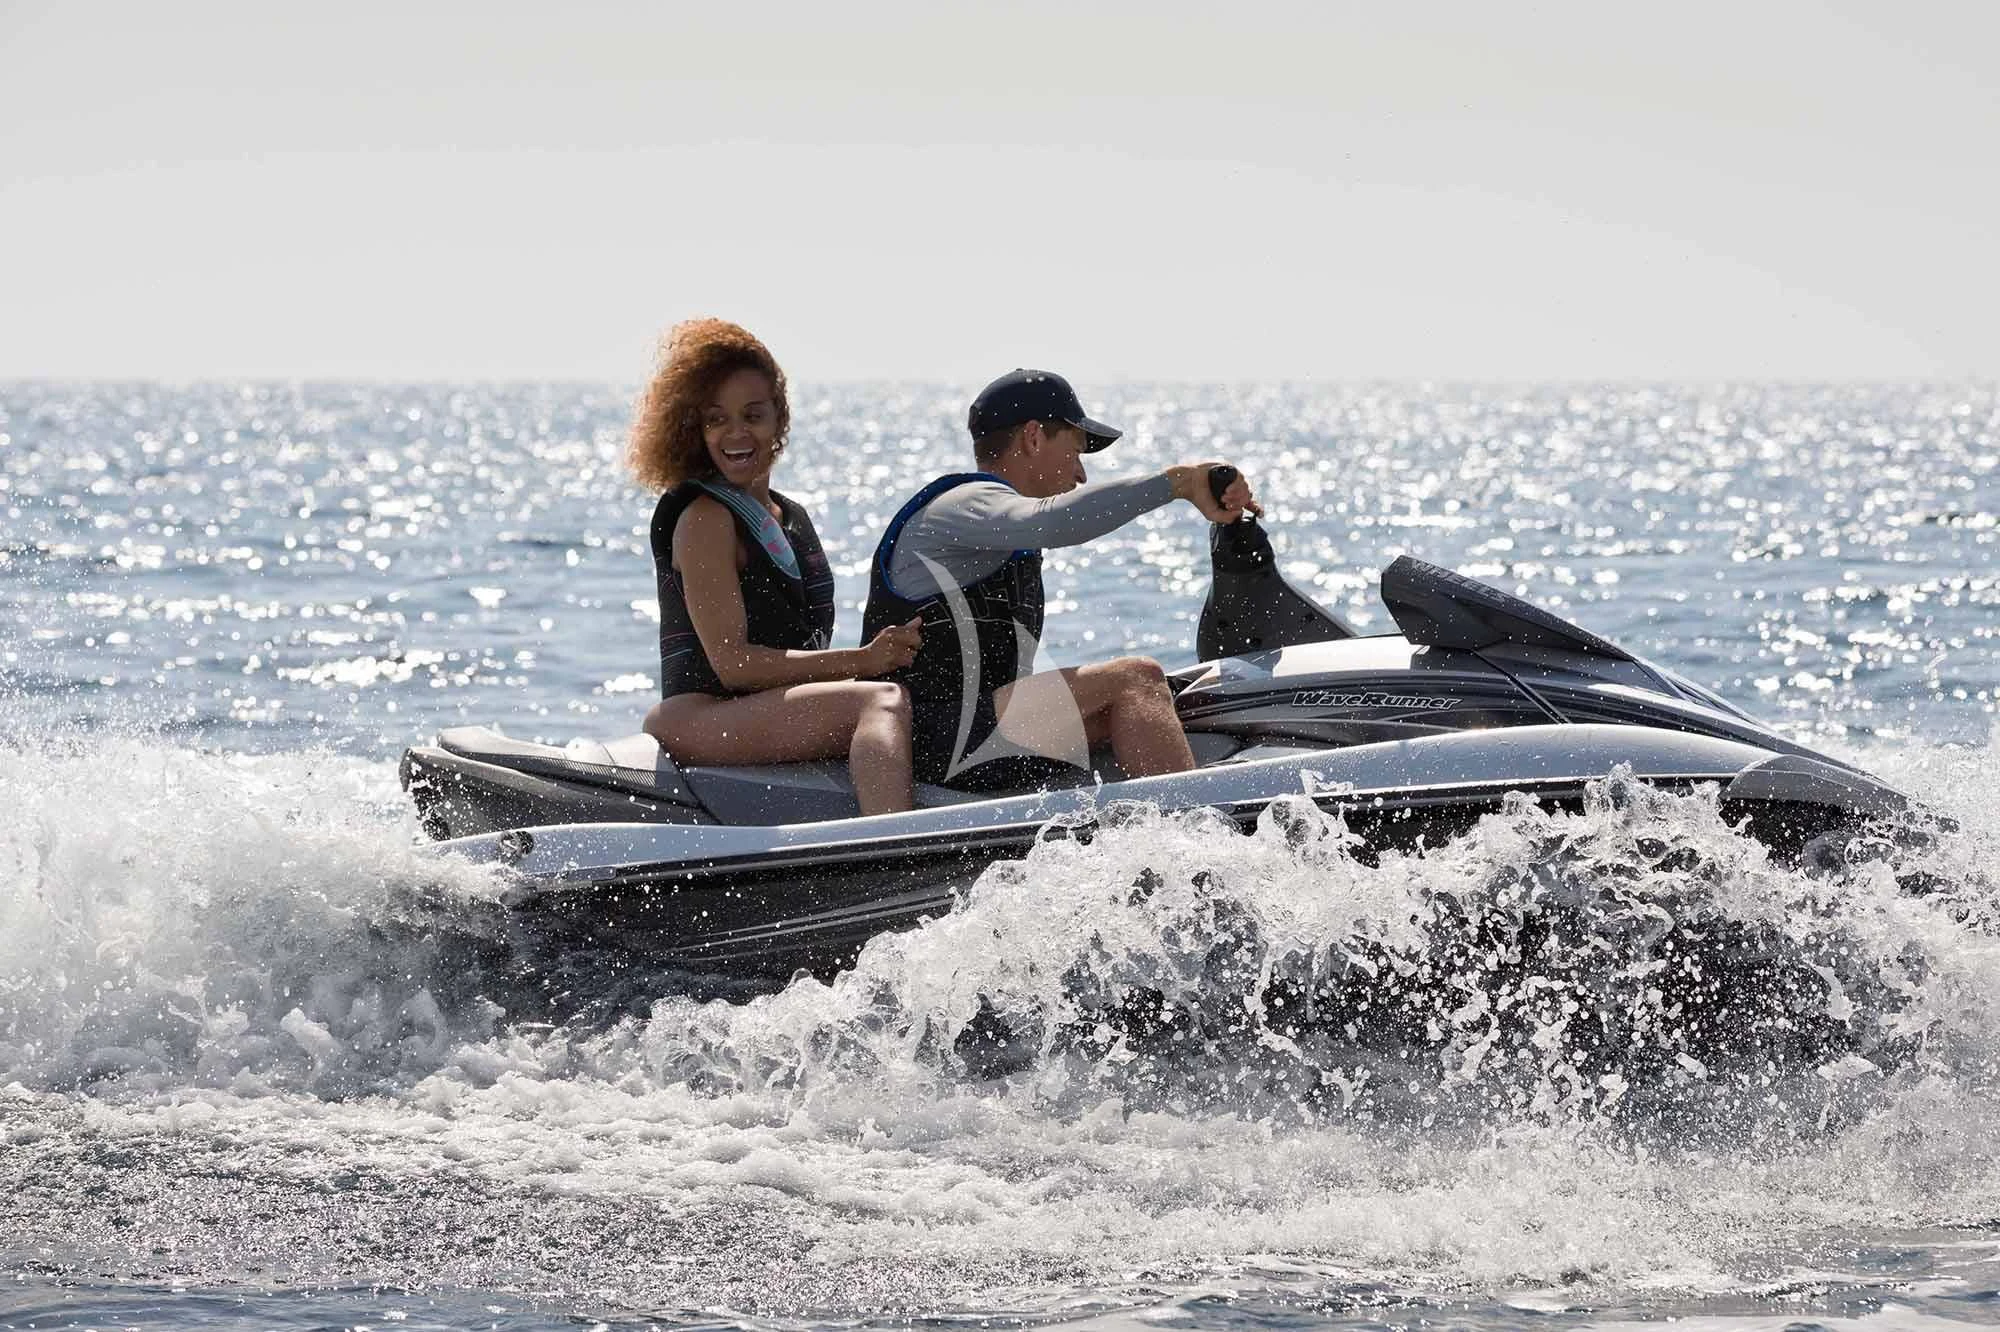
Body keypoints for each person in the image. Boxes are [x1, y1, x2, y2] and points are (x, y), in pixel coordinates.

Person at [861, 368, 1257, 792]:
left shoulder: (1002, 530)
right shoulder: (959, 507)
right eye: (1077, 450)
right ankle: (1196, 837)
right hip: (919, 739)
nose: (1081, 474)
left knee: (1164, 701)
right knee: (1136, 677)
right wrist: (1180, 483)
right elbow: (1050, 520)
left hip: (969, 733)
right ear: (1033, 437)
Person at [631, 319, 924, 816]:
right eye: (715, 419)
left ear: (779, 419)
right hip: (703, 715)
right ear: (694, 429)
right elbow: (734, 665)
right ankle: (900, 852)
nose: (735, 433)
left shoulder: (791, 516)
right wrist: (863, 661)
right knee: (880, 702)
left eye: (753, 415)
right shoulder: (705, 518)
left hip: (758, 709)